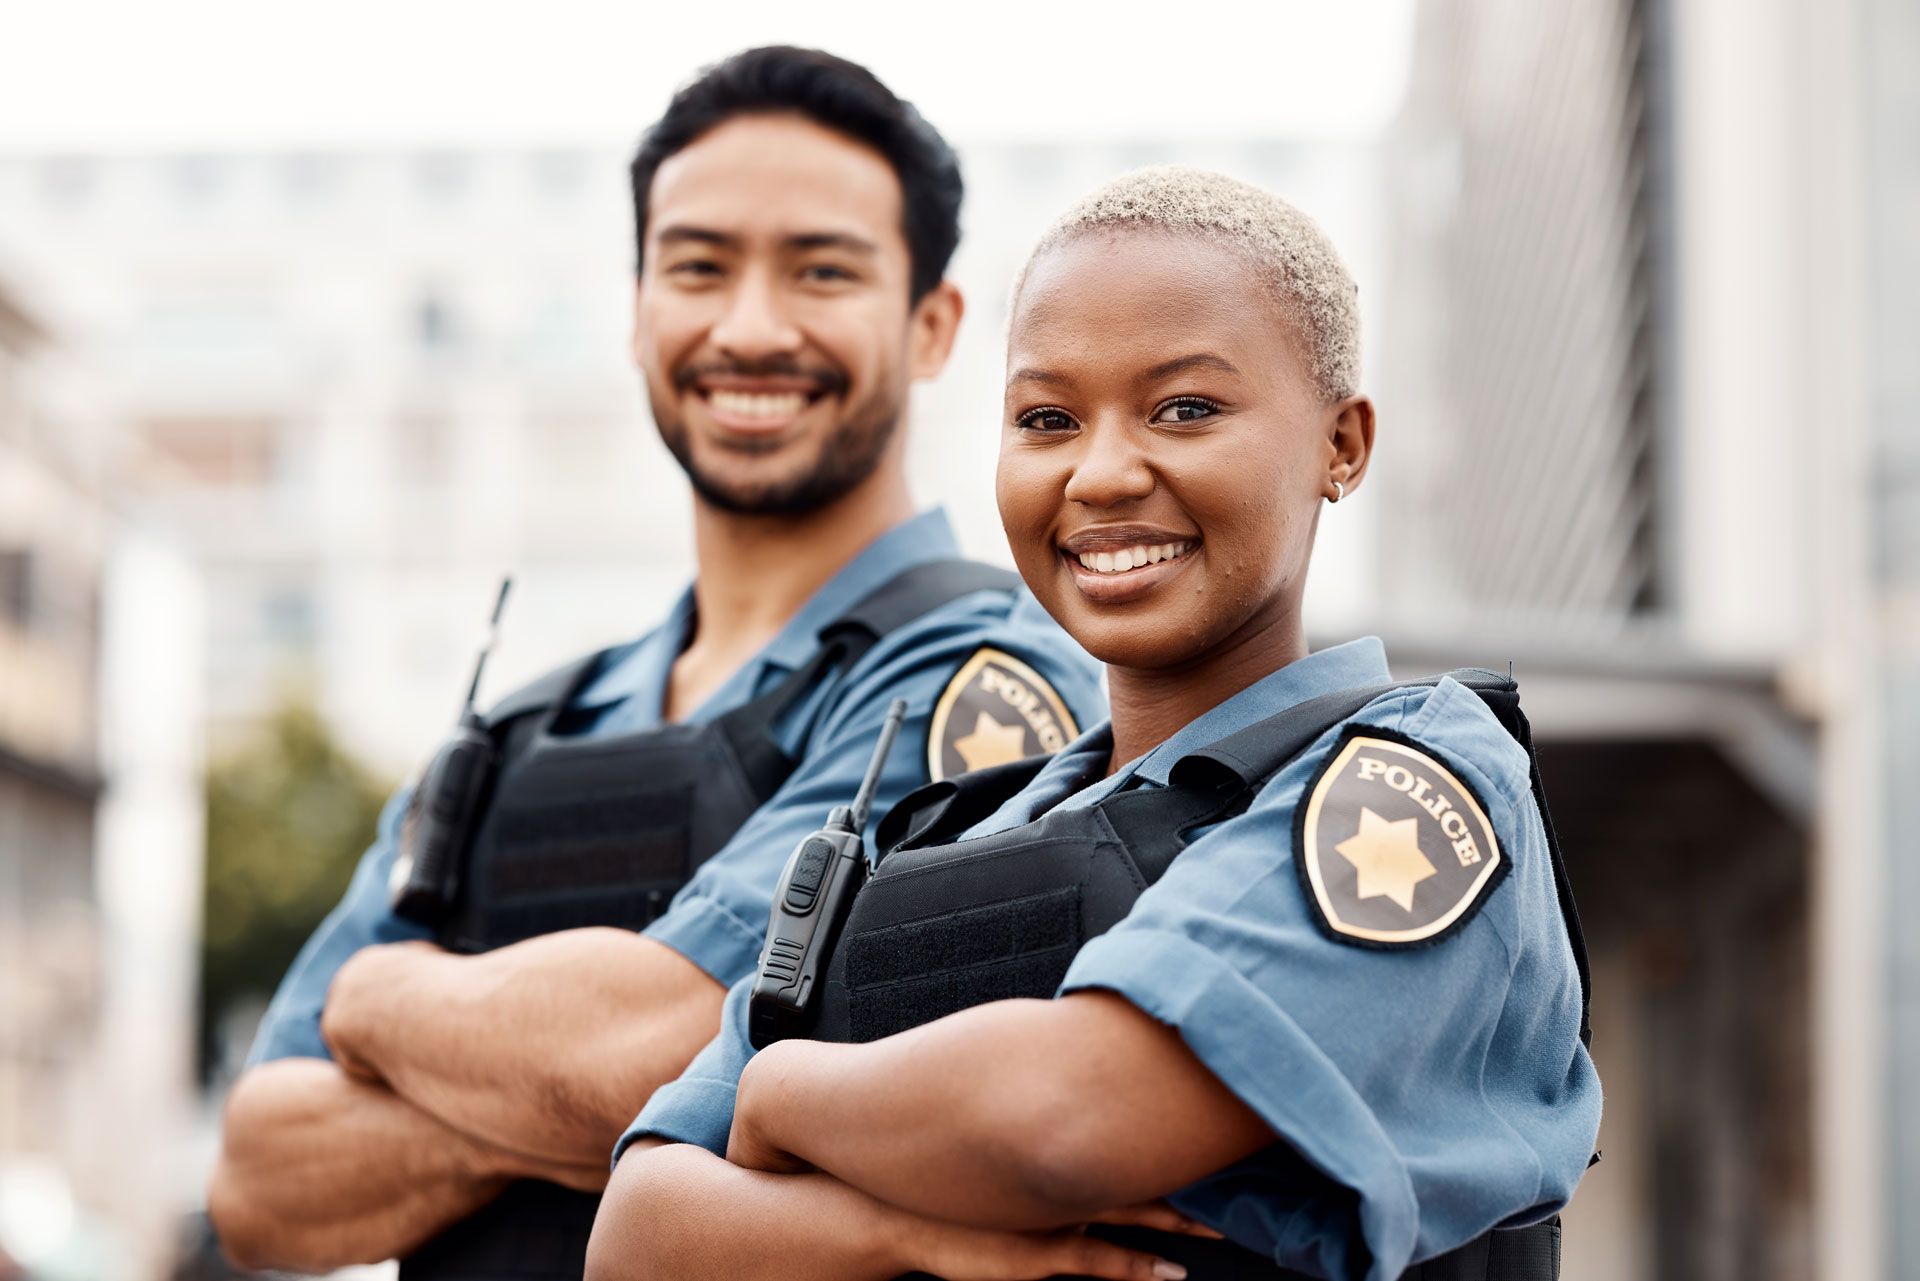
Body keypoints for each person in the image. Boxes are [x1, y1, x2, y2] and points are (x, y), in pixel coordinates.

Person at [586, 167, 1602, 1281]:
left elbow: (1066, 1119)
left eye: (1186, 409)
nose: (1104, 472)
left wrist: (781, 1094)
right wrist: (898, 1232)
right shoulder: (921, 841)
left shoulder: (1416, 778)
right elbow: (636, 1235)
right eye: (1047, 419)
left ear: (1341, 446)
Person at [206, 47, 1105, 1279]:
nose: (748, 326)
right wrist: (575, 1096)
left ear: (934, 325)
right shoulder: (523, 728)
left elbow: (647, 1053)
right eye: (697, 265)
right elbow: (260, 1183)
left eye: (821, 269)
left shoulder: (991, 680)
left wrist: (379, 1005)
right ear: (637, 310)